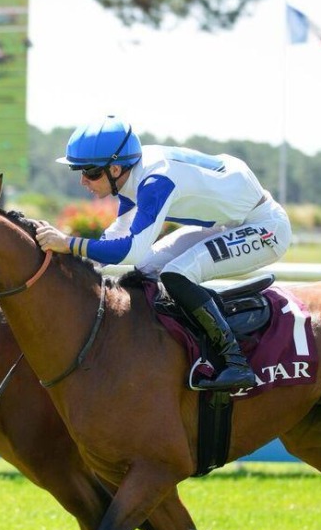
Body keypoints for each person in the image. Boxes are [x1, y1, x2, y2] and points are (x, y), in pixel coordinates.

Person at [35, 115, 292, 391]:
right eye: (80, 171)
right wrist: (60, 261)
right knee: (144, 270)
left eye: (92, 172)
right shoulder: (130, 176)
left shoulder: (155, 181)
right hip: (229, 222)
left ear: (118, 168)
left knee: (175, 274)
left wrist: (69, 243)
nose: (84, 181)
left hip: (265, 228)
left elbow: (131, 250)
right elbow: (116, 239)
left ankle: (236, 363)